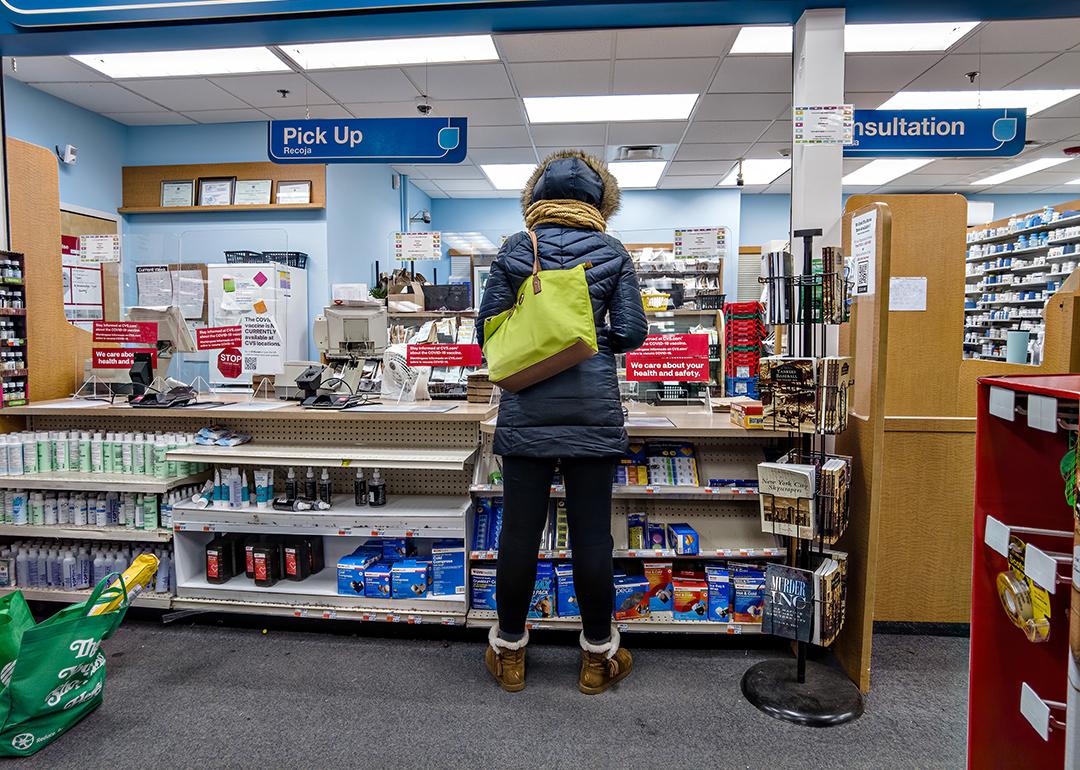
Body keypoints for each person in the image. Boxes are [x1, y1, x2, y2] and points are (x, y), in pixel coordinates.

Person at [477, 150, 648, 695]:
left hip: (527, 407)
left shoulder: (516, 248)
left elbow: (489, 328)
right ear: (602, 201)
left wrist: (539, 333)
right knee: (593, 538)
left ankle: (509, 654)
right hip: (592, 413)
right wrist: (585, 338)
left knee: (519, 537)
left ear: (535, 197)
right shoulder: (612, 252)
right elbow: (632, 332)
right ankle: (597, 657)